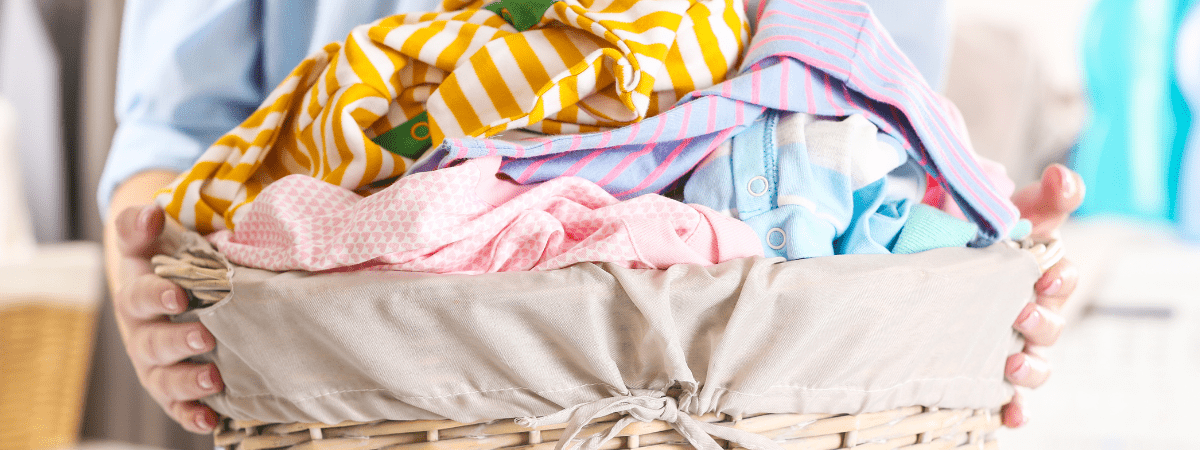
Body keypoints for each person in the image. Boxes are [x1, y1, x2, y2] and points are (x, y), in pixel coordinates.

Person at [100, 0, 1084, 434]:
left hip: (742, 380)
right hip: (360, 372)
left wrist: (976, 255)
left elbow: (875, 98)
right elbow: (176, 127)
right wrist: (146, 256)